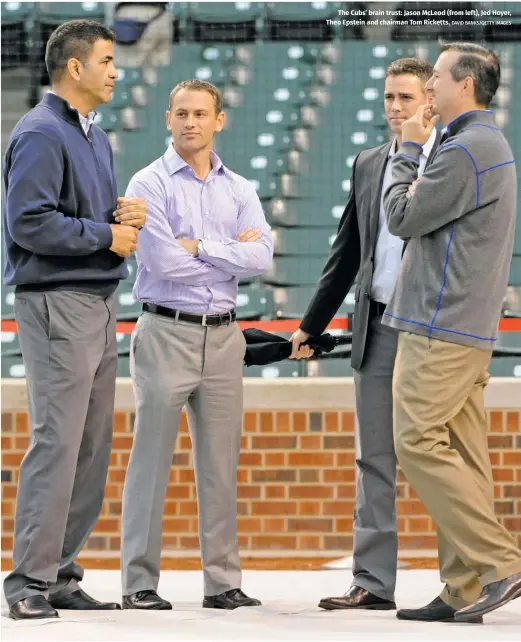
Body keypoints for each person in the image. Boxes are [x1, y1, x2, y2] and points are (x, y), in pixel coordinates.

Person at [2, 20, 146, 620]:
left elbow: (77, 217)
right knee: (58, 444)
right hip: (58, 303)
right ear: (76, 68)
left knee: (89, 448)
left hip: (97, 303)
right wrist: (105, 233)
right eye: (108, 61)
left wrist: (120, 213)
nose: (117, 71)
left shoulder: (95, 135)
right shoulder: (39, 132)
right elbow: (28, 223)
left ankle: (59, 573)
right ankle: (27, 582)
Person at [290, 59, 439, 611]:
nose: (395, 108)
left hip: (430, 330)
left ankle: (466, 578)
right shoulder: (369, 163)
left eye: (405, 97)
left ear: (430, 99)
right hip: (375, 325)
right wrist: (312, 322)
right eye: (387, 98)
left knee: (439, 456)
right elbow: (347, 251)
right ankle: (373, 582)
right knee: (374, 457)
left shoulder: (453, 158)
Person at [120, 79, 273, 611]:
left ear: (219, 120)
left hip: (225, 338)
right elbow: (163, 263)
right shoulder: (149, 183)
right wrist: (230, 253)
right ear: (167, 119)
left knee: (219, 465)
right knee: (150, 464)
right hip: (166, 332)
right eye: (181, 113)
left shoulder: (240, 189)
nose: (191, 122)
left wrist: (202, 246)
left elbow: (264, 258)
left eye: (201, 113)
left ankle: (222, 583)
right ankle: (139, 583)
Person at [382, 43, 521, 623]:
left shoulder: (466, 147)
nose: (429, 87)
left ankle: (501, 563)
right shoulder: (480, 143)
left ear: (464, 85)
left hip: (440, 325)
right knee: (462, 453)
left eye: (436, 77)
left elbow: (403, 218)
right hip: (462, 325)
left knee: (415, 441)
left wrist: (407, 151)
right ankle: (464, 587)